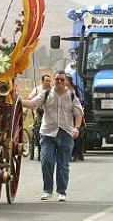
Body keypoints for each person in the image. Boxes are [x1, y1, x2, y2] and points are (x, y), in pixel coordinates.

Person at [22, 70, 84, 202]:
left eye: (62, 80)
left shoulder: (71, 96)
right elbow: (33, 103)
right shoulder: (47, 94)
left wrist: (76, 128)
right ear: (54, 81)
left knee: (63, 164)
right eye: (57, 80)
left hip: (65, 133)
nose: (59, 82)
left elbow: (78, 113)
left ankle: (62, 192)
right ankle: (47, 190)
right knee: (46, 160)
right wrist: (17, 99)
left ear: (66, 81)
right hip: (47, 133)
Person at [66, 75, 86, 162]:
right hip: (66, 116)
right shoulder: (60, 90)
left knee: (78, 136)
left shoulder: (75, 91)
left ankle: (77, 154)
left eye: (66, 80)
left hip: (76, 115)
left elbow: (82, 101)